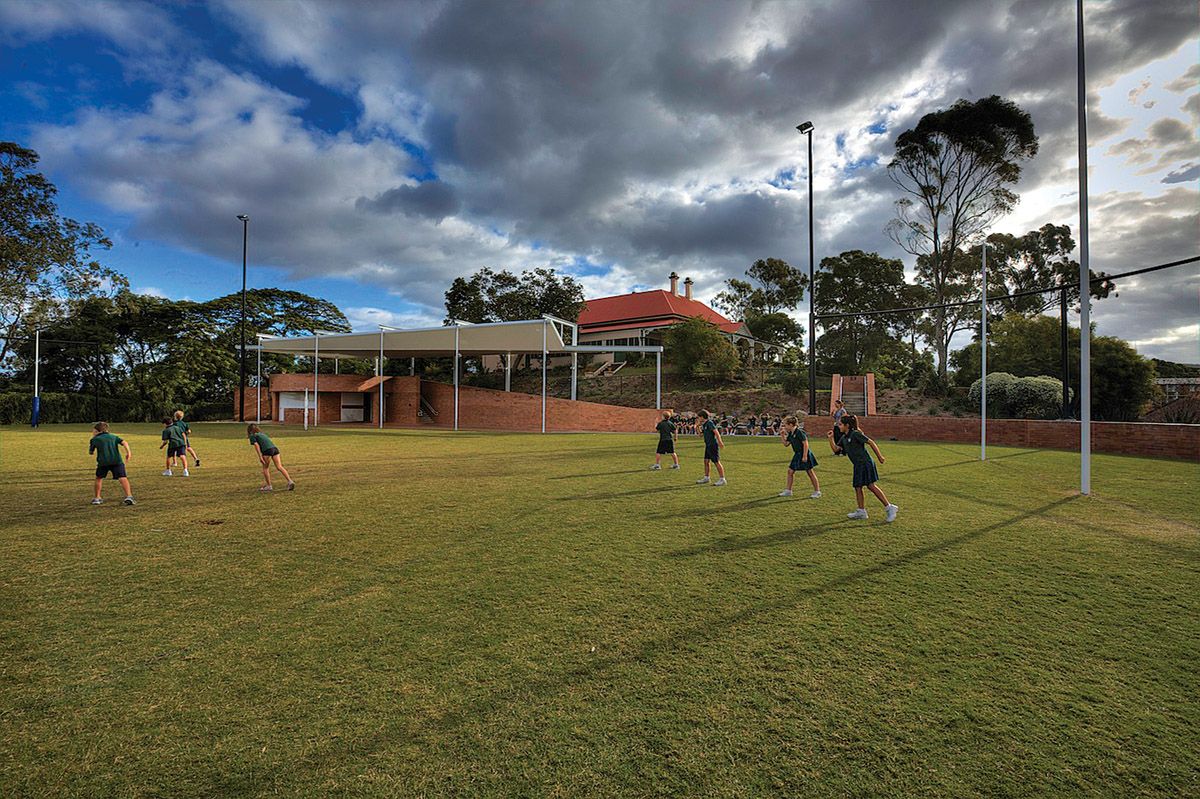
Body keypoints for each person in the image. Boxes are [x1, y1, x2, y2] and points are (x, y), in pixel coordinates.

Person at [828, 414, 898, 522]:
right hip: (857, 465)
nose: (839, 426)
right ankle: (861, 511)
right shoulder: (844, 437)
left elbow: (871, 442)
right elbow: (836, 450)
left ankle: (889, 507)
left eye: (841, 424)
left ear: (847, 425)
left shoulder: (855, 434)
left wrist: (880, 457)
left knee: (870, 486)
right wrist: (831, 439)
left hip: (865, 463)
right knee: (858, 487)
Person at [89, 421, 134, 505]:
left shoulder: (94, 439)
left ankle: (97, 498)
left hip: (103, 462)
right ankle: (129, 496)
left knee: (99, 478)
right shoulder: (113, 437)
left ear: (97, 431)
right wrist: (128, 453)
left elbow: (91, 452)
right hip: (117, 461)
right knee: (123, 478)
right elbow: (124, 442)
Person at [778, 415, 820, 498]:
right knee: (790, 471)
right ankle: (788, 491)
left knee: (810, 472)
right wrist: (782, 436)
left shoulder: (799, 432)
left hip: (804, 453)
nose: (784, 427)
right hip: (797, 454)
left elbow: (805, 443)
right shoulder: (791, 433)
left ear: (790, 425)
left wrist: (805, 456)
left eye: (785, 425)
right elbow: (786, 444)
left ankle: (817, 491)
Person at [248, 423, 294, 491]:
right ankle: (290, 481)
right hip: (275, 449)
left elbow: (256, 445)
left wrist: (260, 456)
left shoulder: (252, 435)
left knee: (265, 468)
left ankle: (269, 486)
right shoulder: (262, 434)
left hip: (267, 451)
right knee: (279, 467)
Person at [695, 409, 727, 486]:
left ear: (702, 417)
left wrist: (720, 442)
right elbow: (700, 435)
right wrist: (697, 427)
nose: (698, 419)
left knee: (716, 462)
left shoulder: (709, 423)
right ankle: (706, 477)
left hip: (713, 445)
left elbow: (716, 432)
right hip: (708, 445)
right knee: (706, 461)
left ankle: (722, 479)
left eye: (699, 417)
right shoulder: (704, 424)